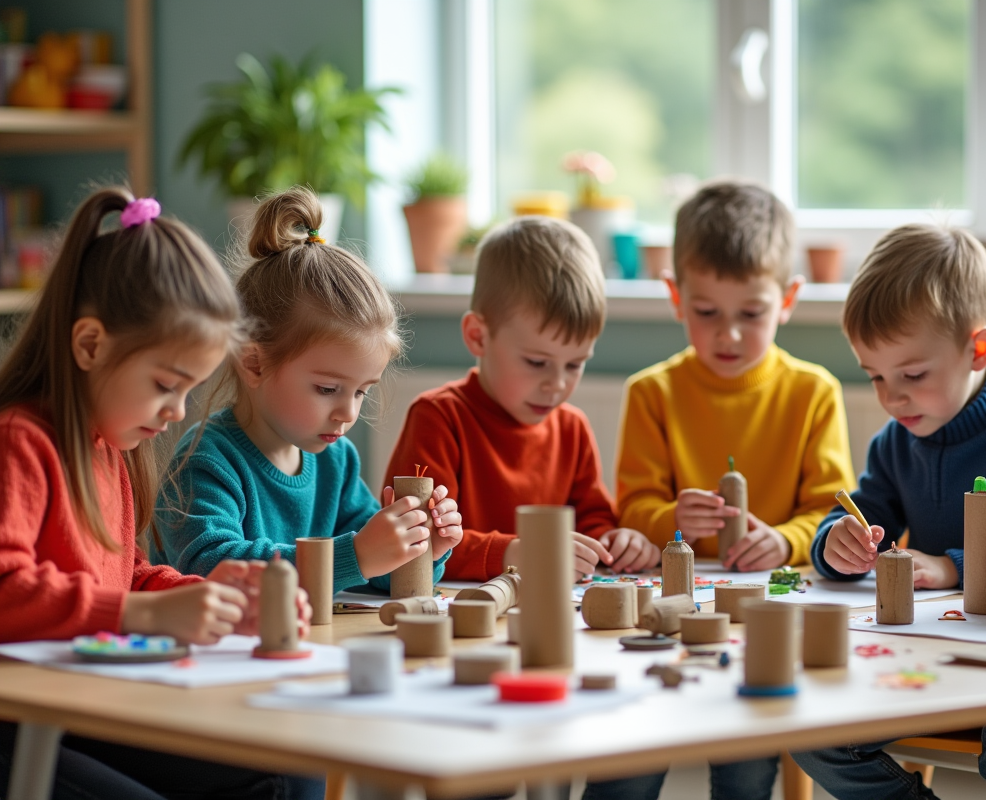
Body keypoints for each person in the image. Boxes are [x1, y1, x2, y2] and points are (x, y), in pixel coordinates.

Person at [0, 187, 319, 799]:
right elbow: (8, 588)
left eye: (189, 391)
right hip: (21, 726)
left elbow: (124, 575)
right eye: (166, 386)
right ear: (90, 345)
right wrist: (144, 615)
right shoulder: (21, 442)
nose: (176, 413)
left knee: (292, 774)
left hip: (89, 708)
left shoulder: (110, 448)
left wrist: (210, 598)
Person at [792, 223, 986, 800]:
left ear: (978, 349)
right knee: (807, 721)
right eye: (876, 377)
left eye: (912, 375)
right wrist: (835, 545)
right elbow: (859, 515)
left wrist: (953, 565)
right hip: (933, 659)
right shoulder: (895, 442)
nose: (892, 397)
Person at [154, 187, 462, 593]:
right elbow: (211, 566)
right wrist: (358, 555)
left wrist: (421, 551)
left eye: (361, 392)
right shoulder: (206, 462)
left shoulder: (337, 461)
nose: (347, 413)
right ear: (254, 363)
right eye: (328, 388)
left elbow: (372, 574)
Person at [386, 215, 658, 582]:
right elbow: (416, 543)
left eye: (575, 364)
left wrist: (615, 541)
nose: (557, 384)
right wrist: (513, 553)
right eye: (537, 362)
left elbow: (593, 520)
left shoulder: (572, 427)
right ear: (479, 337)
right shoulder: (438, 417)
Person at [617, 179, 855, 574]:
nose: (729, 335)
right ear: (676, 298)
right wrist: (673, 519)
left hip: (779, 584)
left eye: (751, 314)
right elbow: (631, 511)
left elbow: (831, 511)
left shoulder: (815, 392)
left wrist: (784, 541)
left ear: (788, 300)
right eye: (707, 312)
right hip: (682, 583)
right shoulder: (651, 393)